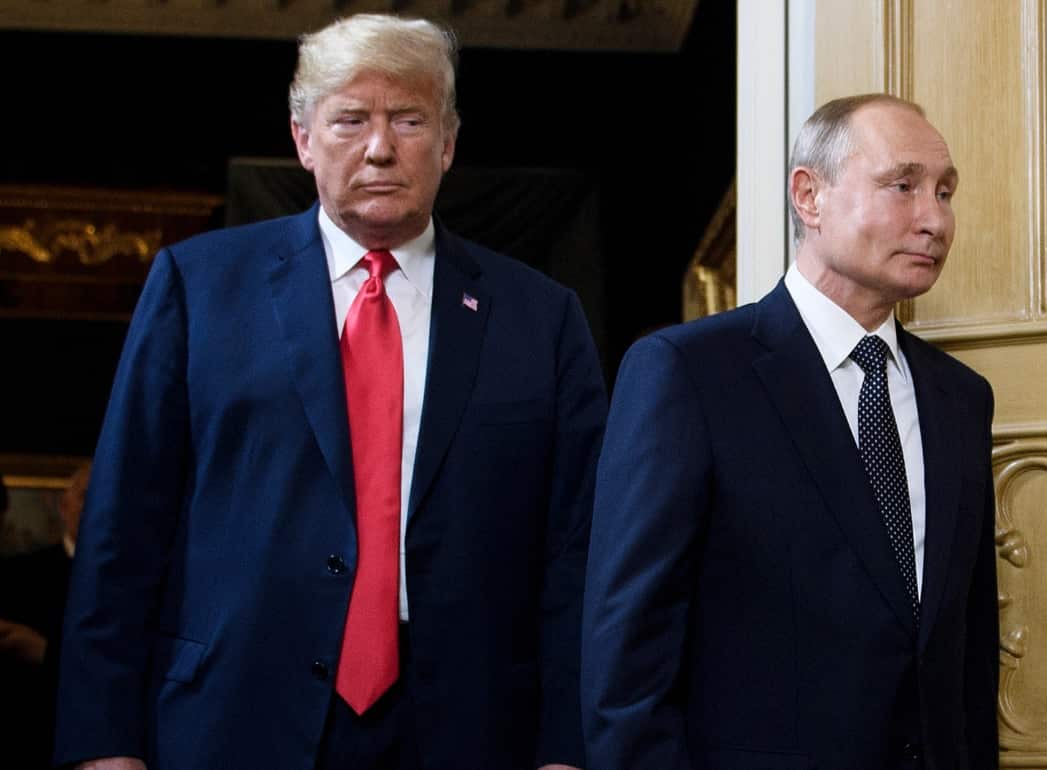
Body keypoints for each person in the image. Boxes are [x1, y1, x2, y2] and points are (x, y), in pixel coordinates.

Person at [54, 13, 605, 770]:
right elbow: (123, 525)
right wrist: (102, 743)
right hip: (233, 717)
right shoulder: (199, 286)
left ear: (447, 143)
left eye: (408, 119)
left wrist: (567, 749)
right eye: (350, 120)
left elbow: (575, 551)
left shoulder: (541, 317)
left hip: (470, 728)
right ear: (303, 140)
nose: (379, 147)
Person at [582, 93, 999, 769]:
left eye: (945, 192)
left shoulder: (962, 399)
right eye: (903, 186)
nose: (934, 219)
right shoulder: (687, 374)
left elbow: (968, 653)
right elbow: (628, 653)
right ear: (809, 196)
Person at [0, 461, 87, 768]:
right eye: (85, 496)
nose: (95, 507)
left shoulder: (136, 580)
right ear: (63, 506)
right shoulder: (17, 574)